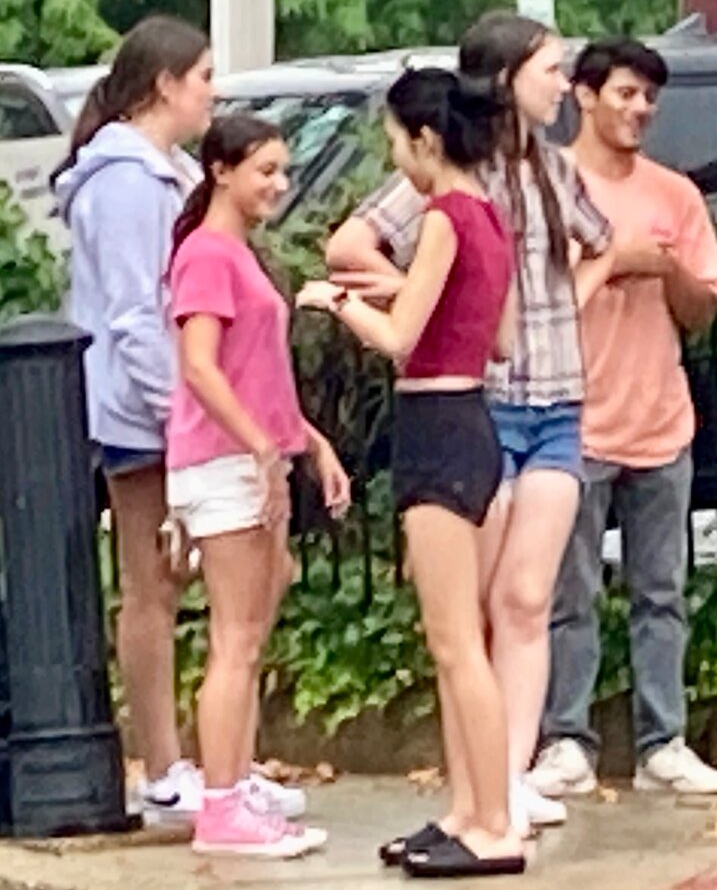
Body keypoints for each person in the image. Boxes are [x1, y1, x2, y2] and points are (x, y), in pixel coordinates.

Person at [324, 12, 612, 834]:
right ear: (504, 76)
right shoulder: (453, 180)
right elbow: (354, 242)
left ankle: (506, 780)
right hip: (486, 402)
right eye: (550, 69)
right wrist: (414, 288)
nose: (562, 85)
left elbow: (601, 245)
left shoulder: (551, 174)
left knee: (524, 595)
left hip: (550, 397)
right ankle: (481, 790)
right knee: (475, 608)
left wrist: (568, 302)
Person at [51, 16, 302, 825]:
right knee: (153, 582)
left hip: (172, 410)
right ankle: (164, 766)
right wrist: (179, 413)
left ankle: (218, 762)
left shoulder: (156, 172)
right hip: (144, 409)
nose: (212, 92)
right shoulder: (125, 180)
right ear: (163, 84)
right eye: (202, 77)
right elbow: (134, 315)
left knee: (202, 581)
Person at [301, 69, 525, 877]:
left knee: (458, 641)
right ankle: (467, 808)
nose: (396, 158)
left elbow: (397, 338)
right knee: (456, 637)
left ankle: (495, 821)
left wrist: (334, 300)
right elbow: (496, 336)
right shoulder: (491, 218)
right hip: (475, 423)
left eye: (396, 143)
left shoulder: (443, 217)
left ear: (426, 140)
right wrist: (406, 296)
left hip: (435, 425)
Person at [529, 38, 717, 799]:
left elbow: (703, 310)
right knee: (565, 592)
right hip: (572, 420)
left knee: (661, 589)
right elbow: (535, 305)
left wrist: (667, 265)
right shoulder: (547, 184)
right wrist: (610, 260)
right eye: (624, 93)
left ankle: (664, 739)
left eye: (649, 97)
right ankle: (566, 738)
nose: (639, 109)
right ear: (583, 96)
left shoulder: (675, 194)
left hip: (659, 416)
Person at [167, 115, 349, 857]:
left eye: (281, 170)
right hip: (224, 460)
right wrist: (259, 449)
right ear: (220, 171)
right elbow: (201, 365)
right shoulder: (209, 256)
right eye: (264, 170)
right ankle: (220, 804)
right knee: (235, 638)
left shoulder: (237, 253)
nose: (278, 183)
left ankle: (234, 784)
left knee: (252, 625)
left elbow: (255, 373)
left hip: (252, 453)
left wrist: (308, 441)